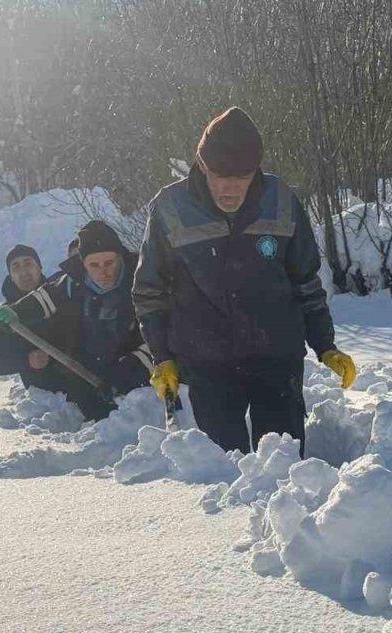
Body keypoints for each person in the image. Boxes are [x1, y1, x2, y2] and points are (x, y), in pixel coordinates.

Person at [132, 106, 357, 454]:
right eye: (221, 175)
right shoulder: (170, 207)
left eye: (243, 176)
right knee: (224, 467)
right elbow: (150, 290)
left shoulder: (281, 200)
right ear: (202, 165)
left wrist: (324, 344)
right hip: (207, 360)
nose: (232, 187)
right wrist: (161, 355)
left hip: (277, 355)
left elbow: (305, 281)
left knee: (282, 462)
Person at [0, 221, 153, 419]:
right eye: (94, 265)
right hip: (92, 375)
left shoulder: (144, 280)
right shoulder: (72, 282)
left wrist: (130, 370)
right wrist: (17, 312)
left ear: (120, 257)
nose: (104, 272)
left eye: (109, 263)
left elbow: (163, 335)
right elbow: (43, 299)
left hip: (144, 379)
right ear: (83, 264)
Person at [0, 244, 68, 392]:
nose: (23, 271)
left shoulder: (60, 295)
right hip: (42, 398)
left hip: (80, 385)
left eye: (28, 263)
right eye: (15, 267)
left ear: (39, 267)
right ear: (11, 276)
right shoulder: (6, 315)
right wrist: (26, 360)